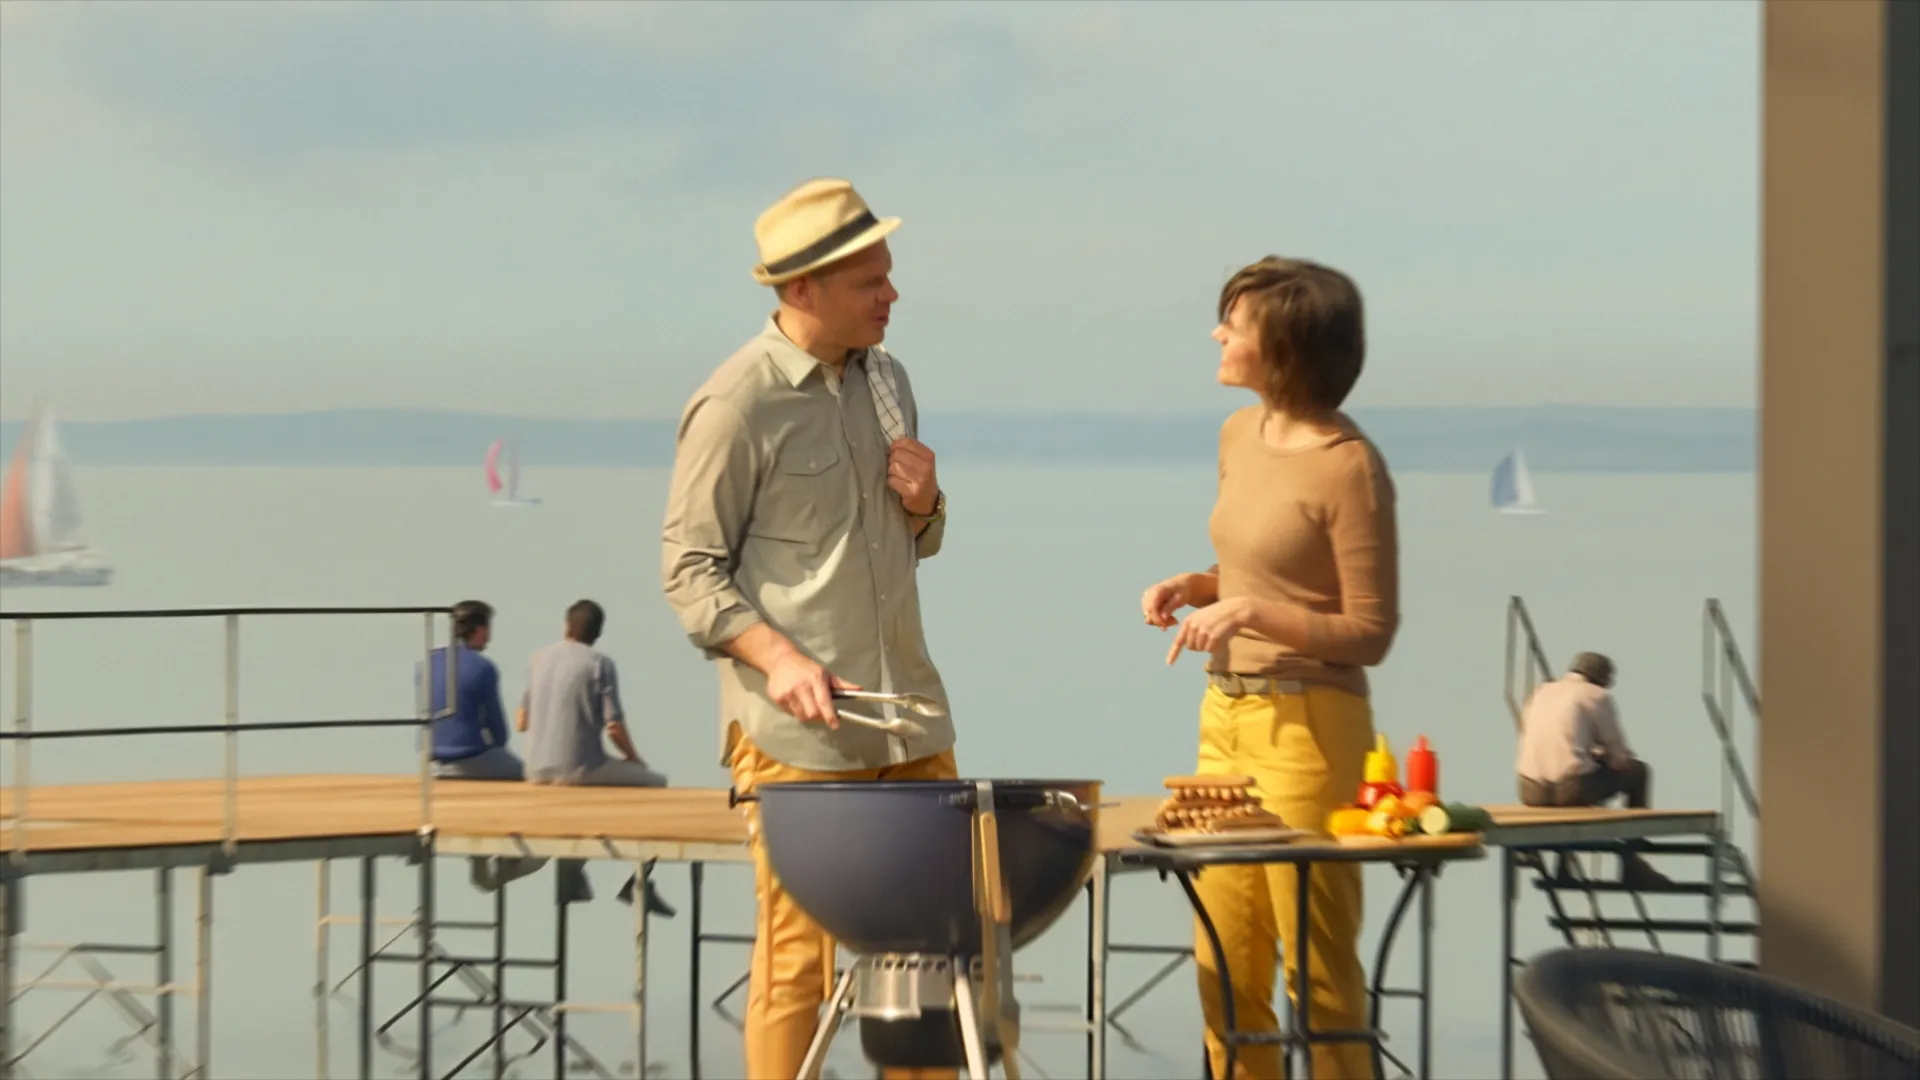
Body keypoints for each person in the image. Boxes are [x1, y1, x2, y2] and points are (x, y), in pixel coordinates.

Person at [660, 176, 956, 1080]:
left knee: (930, 957)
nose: (892, 296)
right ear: (800, 290)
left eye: (889, 276)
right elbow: (688, 571)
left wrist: (929, 501)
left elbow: (918, 541)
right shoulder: (735, 404)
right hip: (795, 731)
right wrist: (779, 657)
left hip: (908, 715)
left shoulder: (890, 379)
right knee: (798, 961)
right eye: (871, 282)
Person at [1143, 257, 1397, 1080]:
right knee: (1225, 965)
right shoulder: (1236, 436)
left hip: (1310, 730)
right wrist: (1198, 586)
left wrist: (1248, 613)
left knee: (1317, 975)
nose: (1218, 334)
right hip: (1225, 720)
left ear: (1285, 347)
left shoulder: (1349, 466)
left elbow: (1368, 630)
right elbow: (1262, 575)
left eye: (1236, 324)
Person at [518, 599, 674, 913]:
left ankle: (573, 871)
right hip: (579, 769)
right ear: (598, 633)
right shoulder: (599, 664)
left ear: (566, 626)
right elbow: (613, 727)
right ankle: (639, 881)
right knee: (655, 784)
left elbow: (521, 721)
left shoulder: (538, 659)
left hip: (534, 769)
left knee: (590, 794)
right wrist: (635, 759)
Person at [1516, 652, 1673, 888]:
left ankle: (1564, 866)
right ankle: (1632, 861)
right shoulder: (1596, 696)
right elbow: (1619, 758)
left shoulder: (1541, 692)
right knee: (1638, 772)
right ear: (1602, 678)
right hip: (1570, 790)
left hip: (1530, 790)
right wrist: (1605, 758)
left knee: (1579, 778)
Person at [417, 599, 542, 893]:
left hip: (432, 762)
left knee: (493, 772)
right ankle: (513, 855)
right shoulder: (483, 668)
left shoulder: (426, 664)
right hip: (470, 757)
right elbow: (499, 732)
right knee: (532, 780)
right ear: (480, 629)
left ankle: (481, 857)